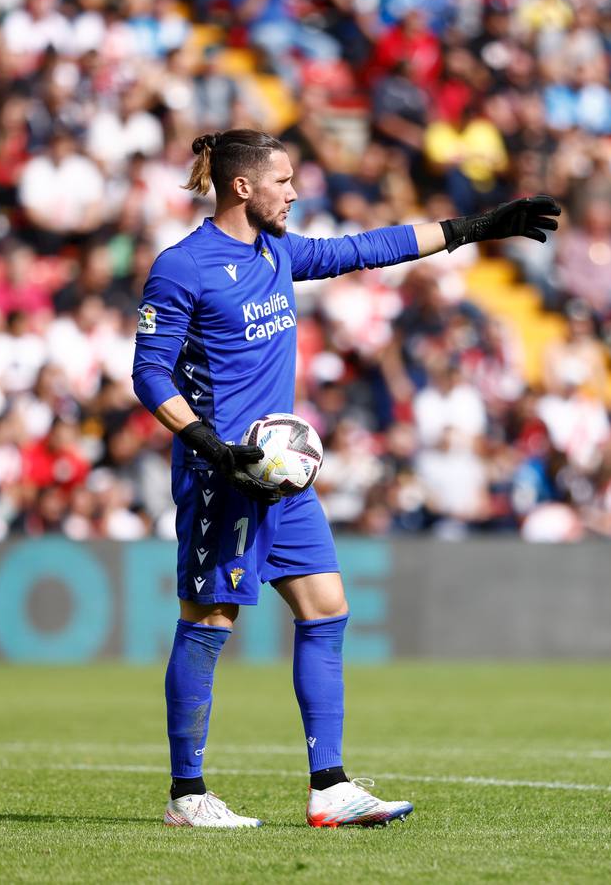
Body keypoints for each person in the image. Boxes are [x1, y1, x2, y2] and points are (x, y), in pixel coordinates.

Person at [130, 129, 558, 828]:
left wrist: (478, 228)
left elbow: (371, 247)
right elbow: (147, 372)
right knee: (208, 620)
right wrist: (210, 446)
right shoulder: (184, 266)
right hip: (223, 474)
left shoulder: (279, 254)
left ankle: (328, 786)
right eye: (284, 181)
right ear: (243, 187)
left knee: (326, 607)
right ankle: (187, 795)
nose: (295, 193)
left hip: (282, 473)